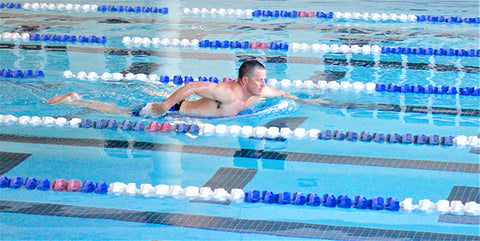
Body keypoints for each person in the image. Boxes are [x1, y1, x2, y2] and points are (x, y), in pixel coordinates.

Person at [47, 60, 320, 117]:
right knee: (119, 112)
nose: (264, 84)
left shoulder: (260, 92)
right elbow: (191, 85)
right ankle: (74, 99)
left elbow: (284, 94)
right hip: (174, 110)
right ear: (244, 81)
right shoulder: (229, 92)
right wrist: (165, 106)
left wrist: (310, 102)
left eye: (265, 80)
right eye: (260, 80)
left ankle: (75, 99)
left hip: (181, 112)